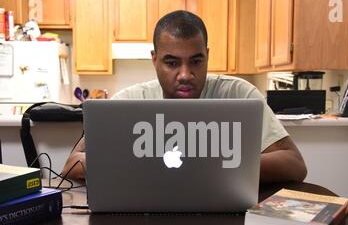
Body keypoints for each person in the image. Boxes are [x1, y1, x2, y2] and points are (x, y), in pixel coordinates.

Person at [62, 10, 307, 183]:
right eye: (172, 63)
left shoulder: (239, 95)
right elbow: (72, 163)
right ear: (155, 59)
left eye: (196, 61)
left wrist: (212, 167)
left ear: (207, 56)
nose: (185, 75)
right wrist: (143, 165)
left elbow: (295, 165)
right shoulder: (127, 102)